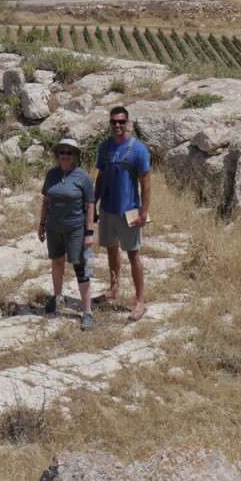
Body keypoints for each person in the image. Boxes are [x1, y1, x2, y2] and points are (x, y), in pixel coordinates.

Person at [94, 106, 151, 322]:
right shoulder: (104, 148)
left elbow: (146, 183)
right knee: (111, 248)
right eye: (114, 122)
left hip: (129, 210)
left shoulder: (139, 150)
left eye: (121, 122)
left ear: (128, 123)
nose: (117, 125)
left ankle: (139, 301)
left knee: (133, 253)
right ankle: (114, 288)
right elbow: (100, 176)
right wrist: (94, 203)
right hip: (108, 209)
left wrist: (143, 213)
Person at [38, 138, 96, 330]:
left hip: (76, 229)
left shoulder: (82, 177)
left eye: (69, 153)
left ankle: (87, 311)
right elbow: (46, 200)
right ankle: (58, 297)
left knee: (81, 267)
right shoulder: (52, 174)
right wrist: (41, 224)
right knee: (57, 261)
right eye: (61, 152)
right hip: (54, 228)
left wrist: (89, 233)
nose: (64, 156)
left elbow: (90, 206)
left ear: (75, 156)